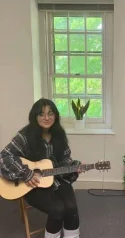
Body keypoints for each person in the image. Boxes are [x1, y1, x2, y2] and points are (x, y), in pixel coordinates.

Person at [0, 98, 83, 238]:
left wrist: (73, 166)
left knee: (71, 208)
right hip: (33, 184)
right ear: (35, 116)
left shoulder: (59, 134)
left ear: (55, 115)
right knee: (57, 209)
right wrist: (26, 173)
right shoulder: (24, 135)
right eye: (41, 114)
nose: (46, 118)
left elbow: (65, 158)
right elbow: (4, 157)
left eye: (50, 113)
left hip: (57, 178)